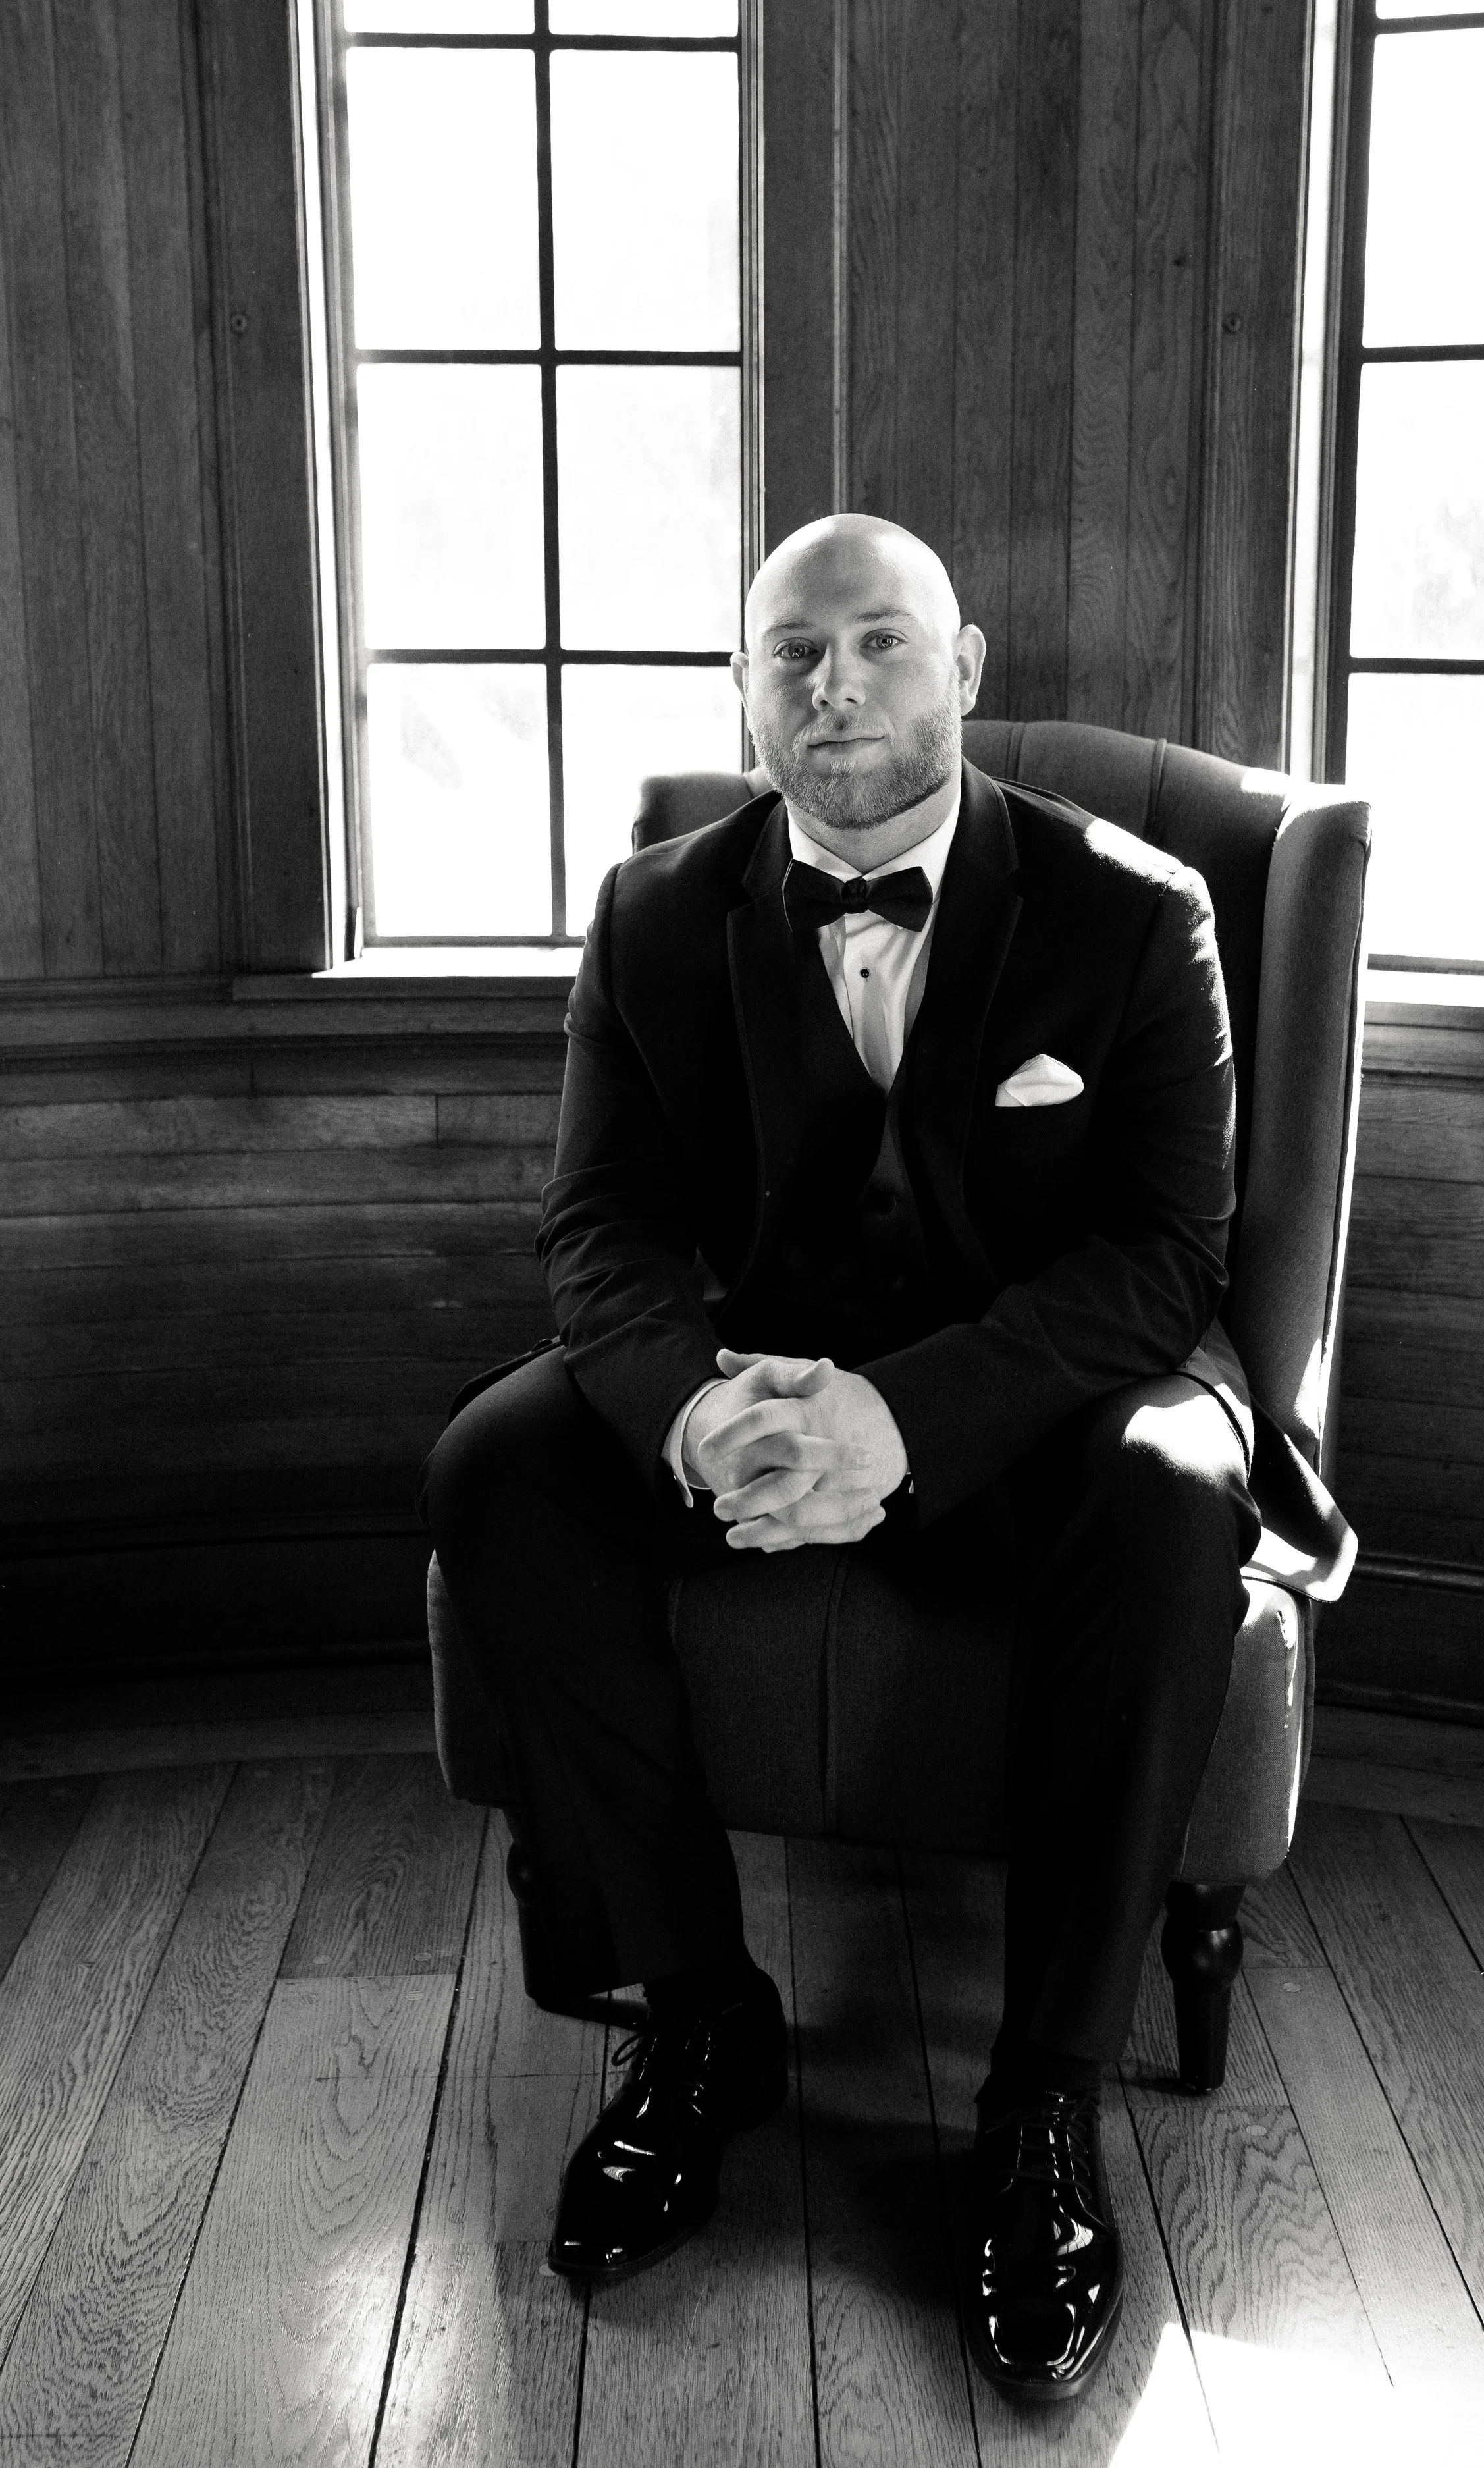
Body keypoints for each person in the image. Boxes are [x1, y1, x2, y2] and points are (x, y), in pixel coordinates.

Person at [419, 512, 1263, 2404]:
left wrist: (906, 1419)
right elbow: (602, 1230)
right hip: (749, 1387)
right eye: (793, 651)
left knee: (1175, 1498)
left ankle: (1043, 2100)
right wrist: (698, 1409)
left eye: (883, 641)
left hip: (1024, 1411)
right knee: (498, 1465)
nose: (837, 685)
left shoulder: (1137, 912)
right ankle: (702, 2021)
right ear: (745, 690)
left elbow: (1163, 1255)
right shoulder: (652, 912)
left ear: (964, 671)